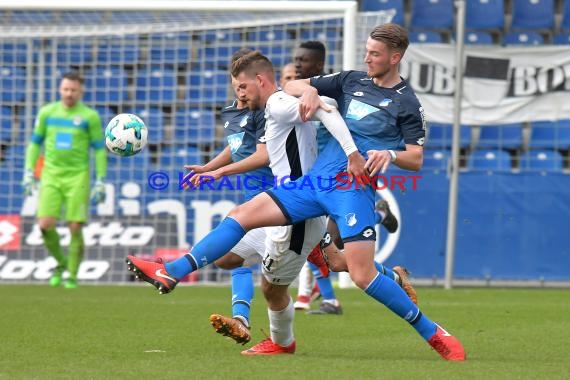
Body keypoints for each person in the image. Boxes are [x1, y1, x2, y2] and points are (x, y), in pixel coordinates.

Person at [127, 26, 465, 360]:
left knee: (361, 275)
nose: (367, 58)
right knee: (240, 216)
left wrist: (389, 154)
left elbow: (415, 158)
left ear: (395, 57)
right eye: (366, 51)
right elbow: (291, 83)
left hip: (351, 188)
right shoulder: (351, 80)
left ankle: (433, 333)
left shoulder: (407, 104)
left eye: (375, 54)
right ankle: (172, 272)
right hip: (313, 184)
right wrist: (309, 92)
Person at [291, 40, 413, 314]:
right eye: (294, 61)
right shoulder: (291, 98)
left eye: (302, 60)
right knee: (324, 247)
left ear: (319, 66)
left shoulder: (332, 98)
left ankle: (329, 298)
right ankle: (382, 228)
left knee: (328, 245)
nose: (297, 65)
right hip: (315, 179)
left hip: (340, 177)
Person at [23, 72, 107, 289]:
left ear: (81, 92)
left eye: (73, 90)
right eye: (65, 89)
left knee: (75, 226)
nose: (69, 93)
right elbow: (35, 143)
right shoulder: (47, 112)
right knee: (44, 225)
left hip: (78, 175)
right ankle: (61, 264)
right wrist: (28, 171)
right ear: (60, 90)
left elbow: (99, 149)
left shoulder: (90, 116)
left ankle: (72, 273)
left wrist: (100, 179)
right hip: (51, 173)